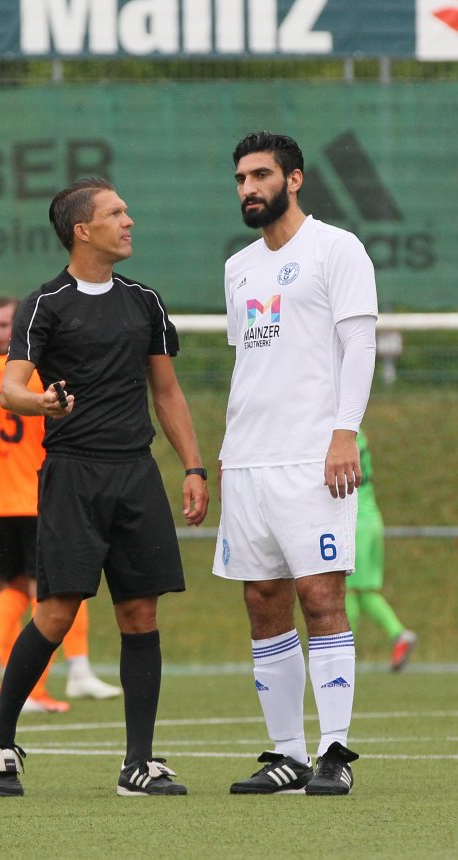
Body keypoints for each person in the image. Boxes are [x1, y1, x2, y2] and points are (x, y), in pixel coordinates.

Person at [0, 177, 209, 798]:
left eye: (126, 210)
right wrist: (43, 404)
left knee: (140, 612)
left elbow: (167, 392)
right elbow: (13, 388)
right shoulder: (44, 304)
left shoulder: (145, 301)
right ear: (83, 230)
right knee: (55, 612)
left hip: (135, 473)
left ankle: (139, 764)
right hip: (73, 473)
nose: (129, 221)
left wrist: (193, 466)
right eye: (116, 212)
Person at [213, 131, 377, 796]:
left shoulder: (337, 249)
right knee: (262, 601)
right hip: (248, 462)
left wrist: (345, 432)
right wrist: (224, 458)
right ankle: (286, 754)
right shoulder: (238, 267)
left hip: (314, 456)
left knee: (320, 596)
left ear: (295, 179)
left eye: (260, 175)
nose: (249, 188)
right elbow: (246, 365)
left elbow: (358, 345)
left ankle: (334, 750)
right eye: (240, 179)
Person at [0, 297, 121, 712]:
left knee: (11, 588)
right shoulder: (39, 372)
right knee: (53, 592)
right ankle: (51, 683)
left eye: (5, 324)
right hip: (39, 498)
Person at [345, 429, 417, 671]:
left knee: (346, 589)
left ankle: (342, 653)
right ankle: (399, 635)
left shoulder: (340, 434)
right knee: (363, 592)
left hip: (356, 523)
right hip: (371, 519)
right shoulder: (358, 432)